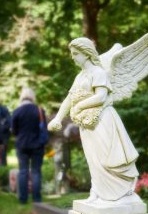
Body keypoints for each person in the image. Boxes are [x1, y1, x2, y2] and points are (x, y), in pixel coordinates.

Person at [47, 37, 140, 204]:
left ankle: (120, 192)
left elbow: (101, 96)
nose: (73, 57)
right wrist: (58, 118)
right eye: (72, 53)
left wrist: (80, 106)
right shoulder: (80, 76)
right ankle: (96, 192)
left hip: (103, 120)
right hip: (87, 124)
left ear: (86, 53)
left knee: (106, 158)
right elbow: (69, 99)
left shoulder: (98, 72)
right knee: (93, 159)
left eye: (75, 53)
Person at [12, 88, 47, 204]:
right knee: (36, 171)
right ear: (33, 97)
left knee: (23, 171)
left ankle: (23, 199)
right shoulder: (39, 110)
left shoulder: (17, 111)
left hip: (22, 144)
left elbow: (14, 130)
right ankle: (37, 199)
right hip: (37, 144)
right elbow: (44, 128)